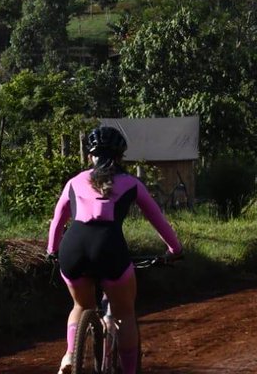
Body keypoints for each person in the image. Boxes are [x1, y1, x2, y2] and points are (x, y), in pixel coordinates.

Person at [47, 126, 183, 374]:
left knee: (80, 306)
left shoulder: (74, 182)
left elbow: (57, 220)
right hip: (108, 247)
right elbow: (157, 219)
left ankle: (69, 355)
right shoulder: (131, 183)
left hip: (73, 247)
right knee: (124, 313)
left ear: (90, 156)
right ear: (120, 157)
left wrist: (52, 250)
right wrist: (175, 249)